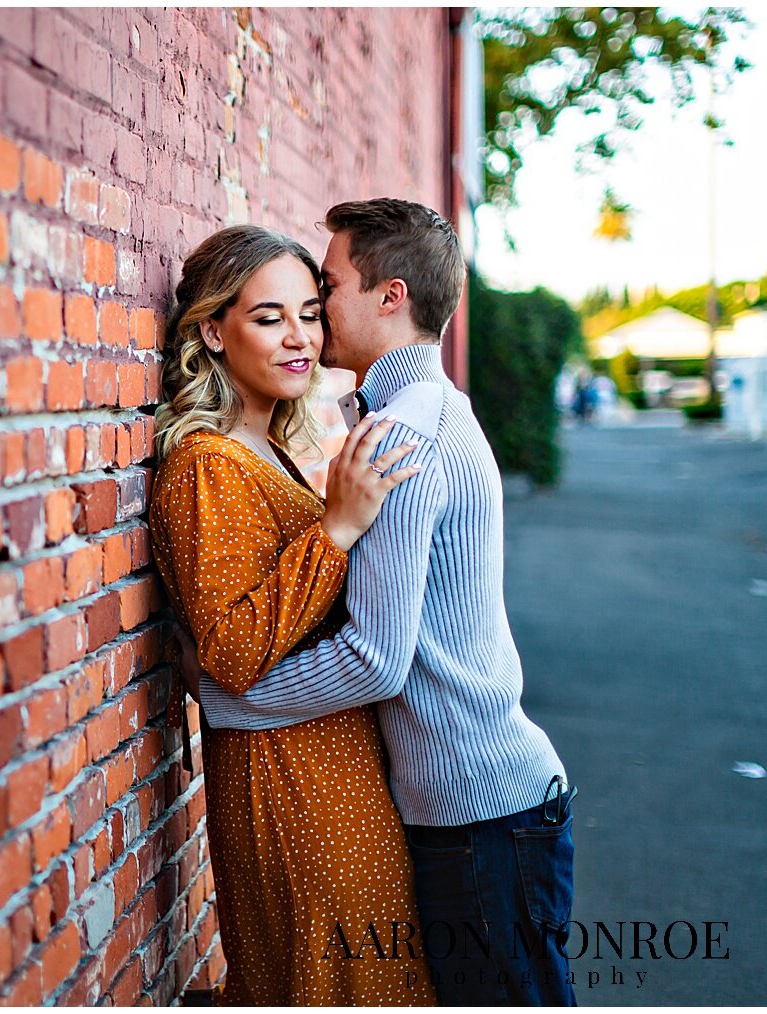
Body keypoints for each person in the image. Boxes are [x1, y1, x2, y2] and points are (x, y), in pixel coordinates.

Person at [184, 199, 577, 1006]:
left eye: (326, 287)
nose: (317, 312)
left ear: (389, 297)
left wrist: (228, 703)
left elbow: (375, 659)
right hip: (481, 806)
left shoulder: (403, 436)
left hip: (480, 817)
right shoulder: (428, 413)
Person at [149, 224, 435, 1005]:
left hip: (335, 764)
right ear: (212, 330)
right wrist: (337, 528)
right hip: (287, 782)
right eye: (268, 317)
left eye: (309, 313)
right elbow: (235, 651)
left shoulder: (266, 447)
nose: (299, 337)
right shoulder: (207, 465)